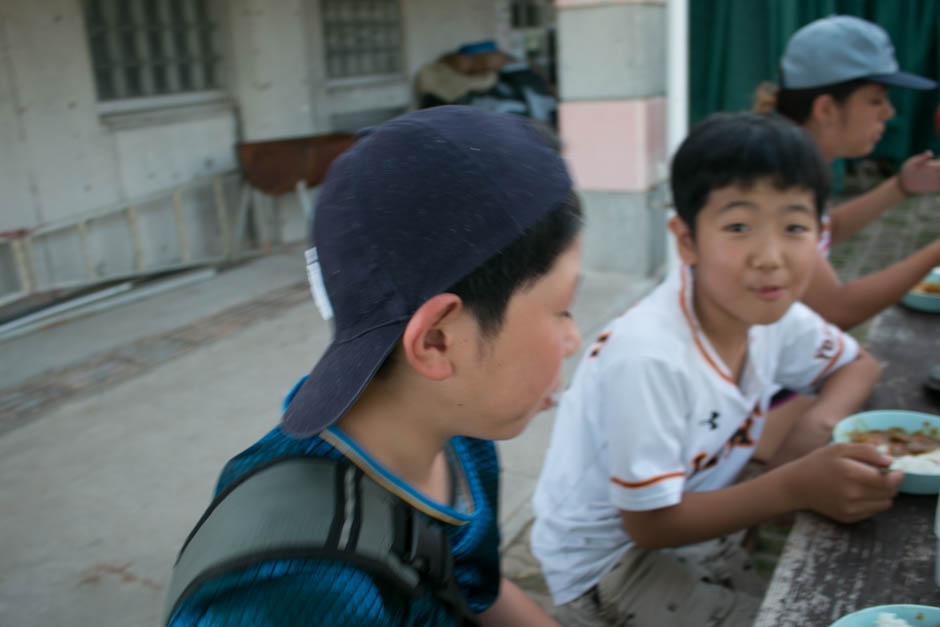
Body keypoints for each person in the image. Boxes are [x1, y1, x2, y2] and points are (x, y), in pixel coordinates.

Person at [166, 106, 582, 626]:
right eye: (562, 308)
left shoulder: (460, 441)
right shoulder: (294, 588)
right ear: (436, 341)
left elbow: (476, 590)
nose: (573, 339)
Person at [530, 112, 900, 627]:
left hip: (699, 521)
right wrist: (793, 484)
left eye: (794, 226)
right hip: (606, 567)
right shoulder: (651, 358)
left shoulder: (774, 315)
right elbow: (649, 525)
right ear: (686, 240)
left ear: (818, 235)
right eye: (738, 226)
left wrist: (815, 428)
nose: (769, 257)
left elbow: (858, 364)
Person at [753, 14, 940, 460]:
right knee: (868, 381)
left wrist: (899, 187)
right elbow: (835, 306)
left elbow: (822, 232)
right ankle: (780, 489)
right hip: (751, 379)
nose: (889, 114)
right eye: (877, 100)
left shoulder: (787, 155)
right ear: (825, 108)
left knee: (868, 370)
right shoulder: (775, 175)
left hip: (770, 355)